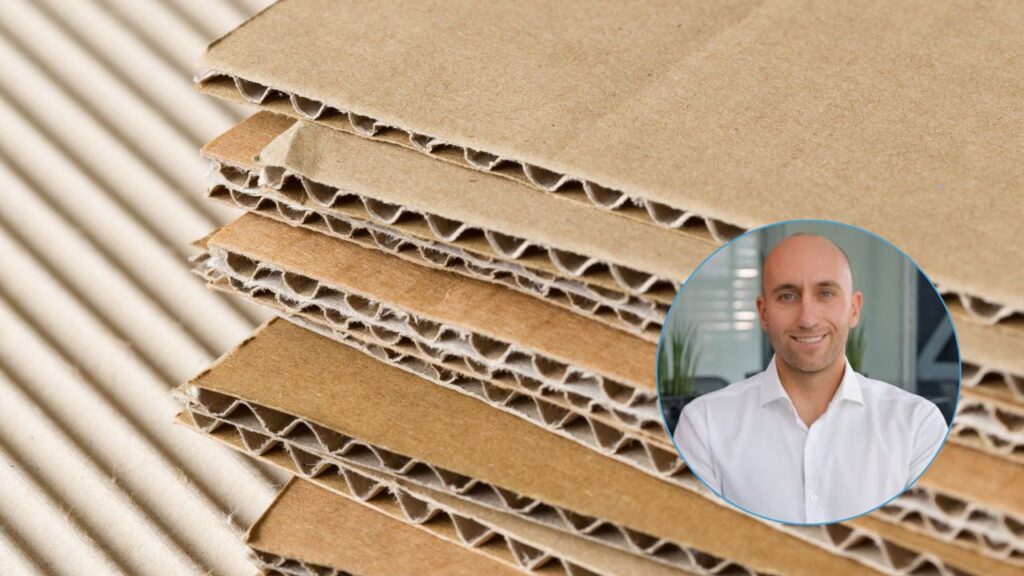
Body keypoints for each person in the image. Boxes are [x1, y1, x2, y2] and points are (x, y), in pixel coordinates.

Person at [673, 233, 948, 524]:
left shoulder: (918, 426)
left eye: (826, 293)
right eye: (787, 296)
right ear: (764, 314)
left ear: (854, 309)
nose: (807, 319)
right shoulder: (703, 425)